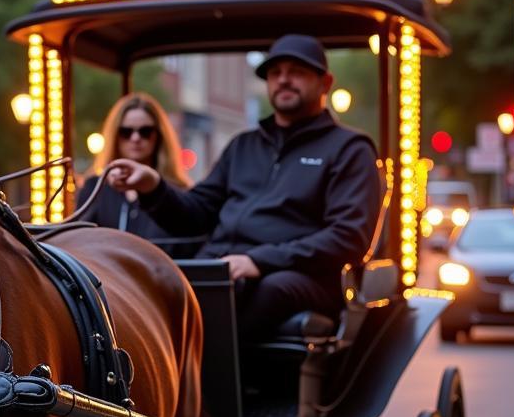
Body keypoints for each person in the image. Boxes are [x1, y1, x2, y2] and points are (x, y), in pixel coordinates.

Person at [106, 35, 385, 339]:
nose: (284, 80)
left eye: (297, 72)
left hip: (303, 278)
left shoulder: (350, 149)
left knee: (266, 290)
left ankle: (211, 383)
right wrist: (154, 186)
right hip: (223, 269)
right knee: (157, 282)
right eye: (275, 73)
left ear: (325, 82)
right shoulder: (243, 146)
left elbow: (348, 237)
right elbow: (195, 213)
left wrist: (259, 260)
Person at [76, 93, 199, 256]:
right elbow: (79, 244)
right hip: (107, 279)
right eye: (126, 132)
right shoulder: (95, 189)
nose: (135, 138)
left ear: (158, 136)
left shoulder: (178, 193)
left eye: (145, 132)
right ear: (115, 135)